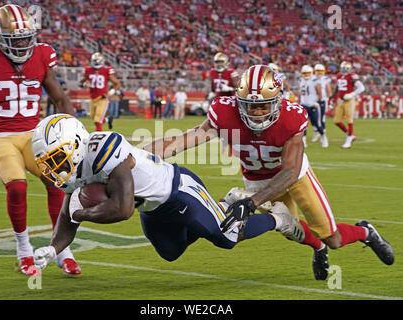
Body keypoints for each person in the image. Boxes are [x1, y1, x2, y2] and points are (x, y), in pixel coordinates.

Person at [143, 65, 394, 280]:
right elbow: (182, 141)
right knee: (290, 230)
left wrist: (251, 203)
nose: (257, 113)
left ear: (277, 100)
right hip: (254, 179)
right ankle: (317, 247)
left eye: (263, 106)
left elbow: (291, 170)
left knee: (334, 239)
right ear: (239, 102)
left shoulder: (291, 117)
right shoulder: (224, 112)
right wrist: (135, 156)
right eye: (250, 106)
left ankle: (365, 232)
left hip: (293, 178)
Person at [30, 114, 304, 271]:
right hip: (152, 207)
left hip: (176, 189)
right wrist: (52, 248)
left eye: (57, 158)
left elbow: (123, 210)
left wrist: (84, 212)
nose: (55, 168)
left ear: (76, 143)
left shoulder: (103, 146)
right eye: (49, 163)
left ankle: (278, 219)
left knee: (227, 237)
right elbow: (67, 220)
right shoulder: (74, 171)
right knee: (171, 252)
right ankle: (222, 204)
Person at [0, 4, 81, 276]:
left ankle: (62, 250)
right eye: (15, 39)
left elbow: (60, 98)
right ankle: (23, 249)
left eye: (25, 37)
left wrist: (78, 132)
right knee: (17, 187)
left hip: (36, 135)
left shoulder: (42, 54)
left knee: (60, 184)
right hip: (0, 135)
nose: (21, 44)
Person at [79, 52, 120, 131]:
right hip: (92, 98)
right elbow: (80, 83)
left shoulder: (106, 70)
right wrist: (84, 84)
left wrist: (111, 92)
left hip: (102, 98)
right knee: (93, 117)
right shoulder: (88, 70)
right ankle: (108, 120)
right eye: (95, 61)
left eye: (97, 61)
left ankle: (98, 137)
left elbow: (117, 84)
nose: (96, 63)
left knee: (97, 120)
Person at [330, 61, 365, 149]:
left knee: (349, 121)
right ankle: (350, 135)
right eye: (343, 68)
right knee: (336, 121)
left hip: (349, 101)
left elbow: (361, 88)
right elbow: (338, 87)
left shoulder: (352, 76)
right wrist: (332, 96)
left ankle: (348, 142)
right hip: (341, 101)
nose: (344, 70)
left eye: (346, 69)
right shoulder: (339, 75)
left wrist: (352, 94)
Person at [298, 65, 328, 148]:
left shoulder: (315, 81)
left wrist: (317, 102)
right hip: (304, 105)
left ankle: (323, 136)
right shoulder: (301, 80)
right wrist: (299, 103)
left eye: (308, 73)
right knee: (303, 124)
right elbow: (300, 93)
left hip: (313, 106)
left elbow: (320, 93)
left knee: (317, 123)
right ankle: (303, 141)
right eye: (304, 73)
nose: (306, 75)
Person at [313, 64, 332, 143]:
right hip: (313, 101)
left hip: (322, 100)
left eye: (321, 71)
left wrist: (329, 101)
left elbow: (329, 91)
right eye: (318, 71)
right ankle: (316, 132)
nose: (320, 73)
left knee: (322, 118)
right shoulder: (312, 78)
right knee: (313, 118)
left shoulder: (325, 79)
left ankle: (322, 135)